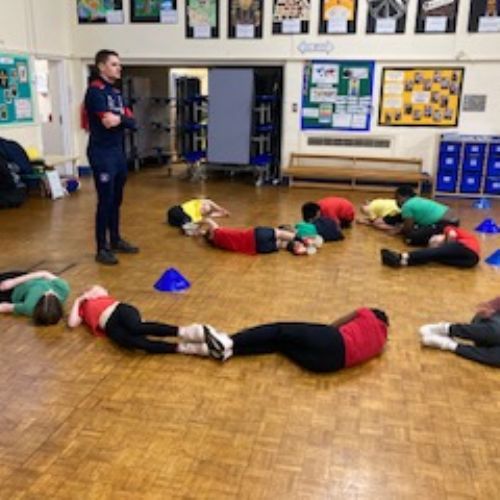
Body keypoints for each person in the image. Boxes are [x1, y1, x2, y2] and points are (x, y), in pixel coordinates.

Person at [181, 308, 389, 373]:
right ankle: (228, 352)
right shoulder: (381, 343)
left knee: (280, 330)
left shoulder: (367, 313)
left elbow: (335, 324)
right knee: (279, 344)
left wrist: (319, 332)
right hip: (327, 366)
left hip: (333, 340)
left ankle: (229, 341)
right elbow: (378, 352)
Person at [84, 49, 139, 265]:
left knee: (116, 199)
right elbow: (107, 122)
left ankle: (115, 240)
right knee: (105, 200)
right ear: (101, 67)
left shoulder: (116, 93)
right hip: (101, 153)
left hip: (117, 153)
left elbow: (133, 122)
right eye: (114, 64)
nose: (119, 68)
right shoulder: (95, 92)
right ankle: (102, 248)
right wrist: (121, 118)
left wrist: (120, 118)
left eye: (119, 64)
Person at [68, 285, 210, 354]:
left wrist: (89, 293)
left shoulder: (95, 294)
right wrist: (78, 300)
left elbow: (102, 291)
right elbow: (72, 323)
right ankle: (184, 348)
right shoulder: (81, 308)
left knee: (135, 327)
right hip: (110, 327)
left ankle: (185, 332)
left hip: (119, 310)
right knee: (134, 343)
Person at [419, 296, 500, 367]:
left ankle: (450, 344)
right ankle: (447, 329)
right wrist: (491, 306)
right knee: (496, 332)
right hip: (491, 324)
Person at [199, 218, 314, 255]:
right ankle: (301, 239)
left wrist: (202, 233)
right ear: (211, 233)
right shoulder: (218, 232)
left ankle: (295, 248)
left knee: (280, 244)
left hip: (256, 249)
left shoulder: (217, 243)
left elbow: (207, 235)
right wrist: (198, 224)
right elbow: (208, 220)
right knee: (279, 233)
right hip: (254, 235)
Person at [380, 226, 480, 269]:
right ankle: (403, 262)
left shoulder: (448, 229)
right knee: (434, 257)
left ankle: (402, 256)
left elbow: (452, 235)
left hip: (466, 248)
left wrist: (444, 245)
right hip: (471, 261)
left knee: (434, 253)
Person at [395, 185, 459, 245]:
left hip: (444, 223)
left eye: (397, 198)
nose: (396, 201)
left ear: (402, 196)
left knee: (409, 238)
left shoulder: (406, 205)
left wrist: (399, 230)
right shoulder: (418, 199)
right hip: (452, 219)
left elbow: (408, 229)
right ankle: (446, 234)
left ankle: (445, 238)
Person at [0, 270, 70, 325]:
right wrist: (13, 282)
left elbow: (5, 307)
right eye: (52, 294)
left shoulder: (29, 308)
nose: (49, 291)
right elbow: (44, 274)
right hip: (24, 277)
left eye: (44, 296)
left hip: (11, 293)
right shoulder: (63, 289)